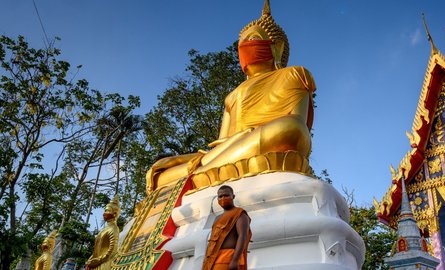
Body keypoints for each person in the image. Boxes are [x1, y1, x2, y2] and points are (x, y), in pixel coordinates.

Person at [145, 0, 316, 194]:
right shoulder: (233, 95)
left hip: (273, 140)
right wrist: (190, 159)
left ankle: (198, 175)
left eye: (252, 38)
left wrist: (247, 135)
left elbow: (296, 124)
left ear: (277, 46)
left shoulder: (294, 74)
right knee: (161, 174)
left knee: (291, 129)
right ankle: (201, 171)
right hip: (230, 152)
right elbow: (223, 143)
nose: (244, 46)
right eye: (241, 43)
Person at [203, 185, 251, 270]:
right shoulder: (217, 218)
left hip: (228, 258)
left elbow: (243, 236)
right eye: (220, 196)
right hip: (212, 259)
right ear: (217, 199)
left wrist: (235, 260)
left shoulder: (240, 214)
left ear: (233, 196)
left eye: (226, 195)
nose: (223, 198)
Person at [86, 196, 120, 270]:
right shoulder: (104, 229)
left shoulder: (114, 229)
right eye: (105, 210)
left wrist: (98, 261)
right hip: (95, 264)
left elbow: (112, 251)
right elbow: (97, 250)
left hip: (104, 264)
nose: (104, 213)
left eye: (107, 211)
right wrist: (90, 260)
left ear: (114, 214)